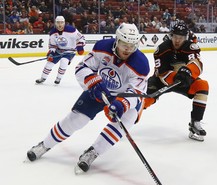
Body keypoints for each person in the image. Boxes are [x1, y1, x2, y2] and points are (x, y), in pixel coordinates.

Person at [26, 23, 150, 173]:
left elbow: (137, 92)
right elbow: (82, 68)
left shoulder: (141, 63)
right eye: (124, 44)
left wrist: (121, 104)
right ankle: (45, 145)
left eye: (132, 45)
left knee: (126, 120)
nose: (128, 49)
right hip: (99, 89)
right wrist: (93, 81)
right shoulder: (102, 47)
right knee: (76, 119)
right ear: (117, 40)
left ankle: (93, 152)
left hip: (124, 96)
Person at [144, 22, 209, 141]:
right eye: (175, 37)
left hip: (183, 80)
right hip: (161, 80)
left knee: (202, 85)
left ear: (186, 38)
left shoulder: (191, 47)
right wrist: (175, 77)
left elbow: (198, 65)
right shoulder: (162, 49)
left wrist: (188, 71)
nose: (177, 41)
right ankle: (128, 118)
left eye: (181, 38)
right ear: (171, 36)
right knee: (146, 99)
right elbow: (162, 73)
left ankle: (195, 122)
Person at [35, 16, 85, 85]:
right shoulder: (53, 32)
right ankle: (43, 78)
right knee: (49, 64)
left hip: (69, 51)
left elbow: (81, 37)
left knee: (64, 62)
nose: (60, 24)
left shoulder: (72, 30)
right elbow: (52, 45)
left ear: (64, 23)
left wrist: (80, 47)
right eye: (58, 22)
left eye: (61, 22)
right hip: (58, 50)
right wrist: (51, 53)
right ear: (55, 23)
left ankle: (59, 78)